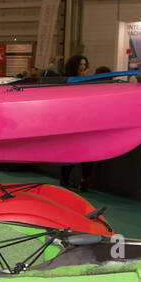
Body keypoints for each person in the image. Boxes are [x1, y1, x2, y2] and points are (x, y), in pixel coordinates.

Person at [60, 54, 95, 190]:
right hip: (71, 122)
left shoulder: (88, 81)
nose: (82, 67)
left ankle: (84, 180)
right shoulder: (66, 81)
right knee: (70, 153)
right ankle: (65, 179)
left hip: (85, 121)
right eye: (80, 64)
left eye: (84, 64)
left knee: (88, 153)